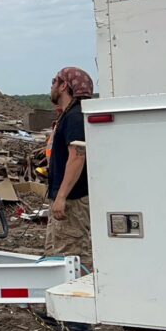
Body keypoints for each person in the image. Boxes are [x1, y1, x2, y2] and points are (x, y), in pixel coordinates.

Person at [46, 66, 94, 268]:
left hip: (71, 202)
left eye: (54, 81)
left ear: (64, 85)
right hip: (67, 200)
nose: (51, 86)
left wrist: (62, 196)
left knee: (71, 258)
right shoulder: (69, 116)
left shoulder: (74, 117)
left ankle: (82, 298)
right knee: (57, 255)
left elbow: (77, 157)